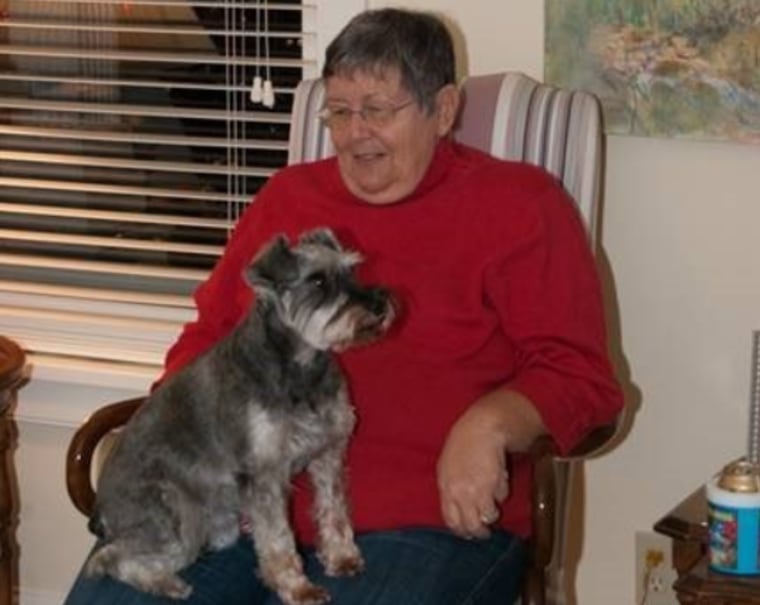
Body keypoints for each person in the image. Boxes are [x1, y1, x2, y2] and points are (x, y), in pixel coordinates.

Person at [64, 7, 623, 605]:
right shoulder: (289, 199)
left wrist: (489, 423)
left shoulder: (521, 206)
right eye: (339, 111)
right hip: (242, 510)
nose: (356, 133)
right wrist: (164, 442)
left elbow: (581, 378)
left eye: (378, 110)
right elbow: (209, 339)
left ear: (444, 110)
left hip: (428, 527)